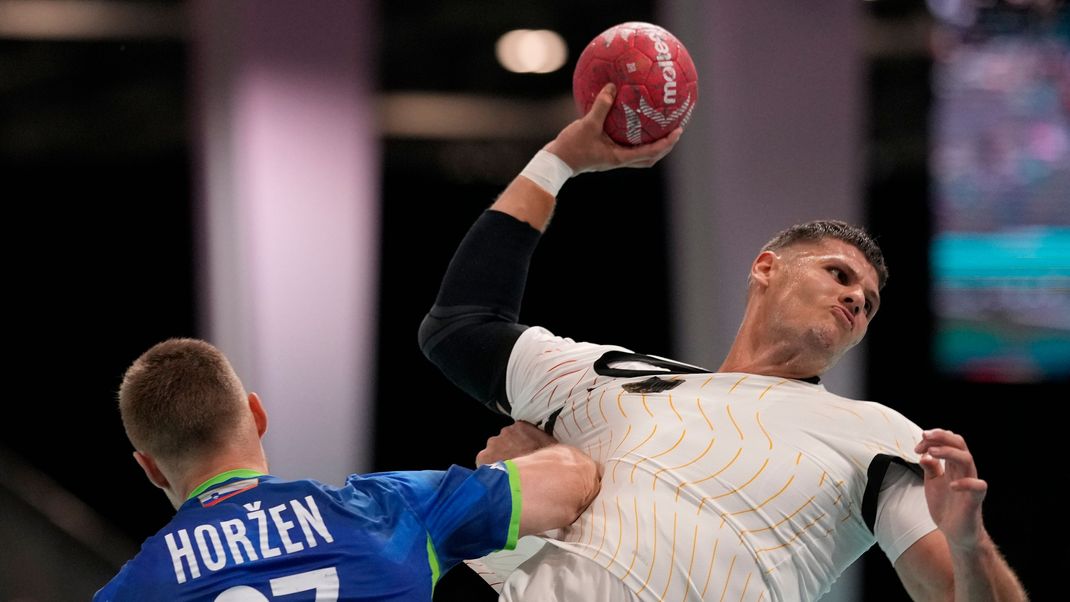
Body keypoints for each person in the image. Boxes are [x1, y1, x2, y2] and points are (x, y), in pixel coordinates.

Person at [419, 83, 1028, 601]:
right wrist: (558, 161)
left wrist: (969, 543)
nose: (854, 300)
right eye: (838, 275)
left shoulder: (877, 434)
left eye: (868, 303)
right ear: (767, 268)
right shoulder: (609, 376)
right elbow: (460, 324)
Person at [93, 337, 600, 601]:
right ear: (257, 414)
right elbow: (574, 481)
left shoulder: (130, 591)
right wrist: (525, 454)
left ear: (150, 469)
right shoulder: (389, 511)